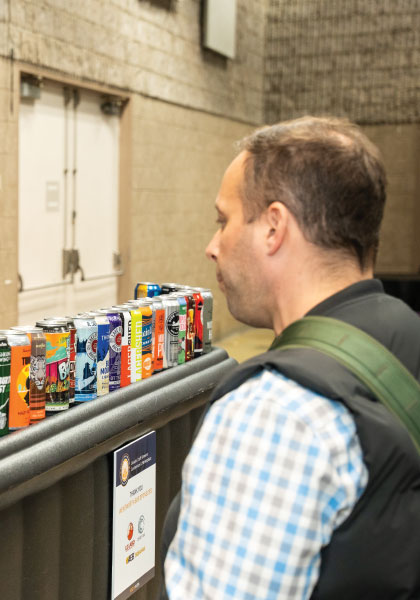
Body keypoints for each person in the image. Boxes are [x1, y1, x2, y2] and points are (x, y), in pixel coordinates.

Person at [163, 116, 420, 599]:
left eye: (224, 220)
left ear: (274, 228)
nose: (212, 246)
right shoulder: (406, 334)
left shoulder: (274, 413)